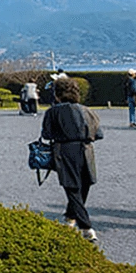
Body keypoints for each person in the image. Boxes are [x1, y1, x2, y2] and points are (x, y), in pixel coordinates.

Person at [40, 75, 103, 242]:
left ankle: (85, 226)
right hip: (86, 149)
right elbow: (99, 134)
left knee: (72, 187)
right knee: (84, 185)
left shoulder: (53, 112)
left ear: (57, 94)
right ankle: (72, 218)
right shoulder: (87, 111)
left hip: (64, 150)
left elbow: (46, 134)